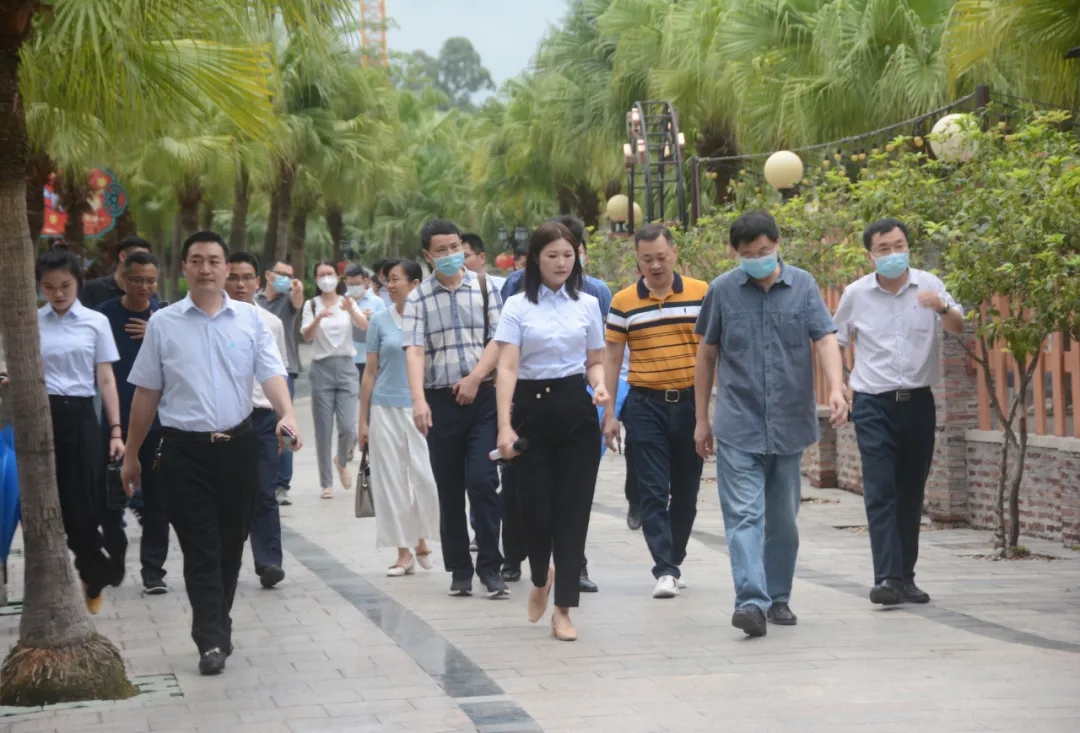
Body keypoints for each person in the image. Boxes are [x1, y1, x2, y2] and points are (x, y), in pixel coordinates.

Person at [122, 230, 302, 676]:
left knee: (230, 544)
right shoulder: (163, 324)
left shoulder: (251, 320)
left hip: (238, 447)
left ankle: (218, 620)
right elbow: (147, 393)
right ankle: (211, 639)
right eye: (197, 260)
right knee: (200, 547)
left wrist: (287, 414)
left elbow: (272, 373)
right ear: (184, 267)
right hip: (183, 452)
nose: (206, 269)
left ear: (226, 268)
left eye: (214, 261)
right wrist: (131, 454)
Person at [693, 210, 847, 638]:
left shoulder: (803, 286)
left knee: (782, 521)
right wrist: (701, 419)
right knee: (744, 516)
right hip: (738, 422)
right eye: (748, 254)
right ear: (735, 253)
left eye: (764, 250)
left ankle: (778, 596)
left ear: (777, 243)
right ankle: (750, 602)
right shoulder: (722, 290)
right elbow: (706, 355)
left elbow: (825, 338)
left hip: (789, 422)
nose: (757, 259)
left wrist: (837, 388)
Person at [834, 218, 964, 606]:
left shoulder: (929, 284)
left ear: (908, 247)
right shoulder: (856, 294)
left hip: (919, 402)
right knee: (880, 490)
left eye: (899, 245)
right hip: (873, 403)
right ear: (870, 255)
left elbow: (958, 325)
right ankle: (887, 578)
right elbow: (835, 340)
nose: (893, 254)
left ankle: (906, 577)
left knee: (911, 491)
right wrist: (839, 385)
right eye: (884, 248)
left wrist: (942, 306)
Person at [495, 221, 609, 642]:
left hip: (576, 411)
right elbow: (507, 366)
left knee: (573, 512)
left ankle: (563, 609)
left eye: (568, 255)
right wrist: (504, 425)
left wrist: (599, 386)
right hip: (531, 410)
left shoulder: (588, 303)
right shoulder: (517, 306)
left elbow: (594, 360)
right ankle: (541, 576)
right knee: (534, 511)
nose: (562, 263)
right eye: (552, 256)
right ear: (535, 259)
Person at [403, 218, 508, 599]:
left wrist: (476, 378)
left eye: (454, 247)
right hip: (440, 401)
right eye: (441, 250)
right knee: (448, 489)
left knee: (483, 481)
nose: (450, 255)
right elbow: (415, 351)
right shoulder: (417, 299)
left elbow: (499, 339)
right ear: (427, 255)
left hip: (483, 398)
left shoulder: (485, 286)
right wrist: (418, 400)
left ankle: (491, 567)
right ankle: (459, 570)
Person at [603, 224, 707, 600]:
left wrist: (708, 414)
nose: (656, 266)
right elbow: (612, 357)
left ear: (675, 253)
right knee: (652, 490)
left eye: (661, 257)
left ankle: (673, 560)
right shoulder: (623, 301)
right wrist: (610, 413)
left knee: (687, 492)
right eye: (647, 259)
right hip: (645, 404)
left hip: (691, 403)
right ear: (638, 261)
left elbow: (713, 351)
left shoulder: (701, 293)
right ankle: (664, 568)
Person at [34, 248, 126, 613]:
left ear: (78, 283)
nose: (57, 294)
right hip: (41, 417)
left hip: (83, 416)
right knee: (57, 505)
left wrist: (115, 430)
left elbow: (106, 379)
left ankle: (95, 569)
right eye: (49, 287)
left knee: (85, 503)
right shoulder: (32, 322)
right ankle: (94, 571)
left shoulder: (95, 322)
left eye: (65, 285)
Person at [358, 259, 440, 576]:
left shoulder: (430, 318)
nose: (389, 285)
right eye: (387, 280)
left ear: (415, 284)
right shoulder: (379, 320)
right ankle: (403, 553)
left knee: (426, 478)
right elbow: (370, 373)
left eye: (396, 279)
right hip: (384, 408)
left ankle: (420, 538)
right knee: (391, 480)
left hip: (421, 408)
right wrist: (362, 421)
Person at [96, 251, 169, 595]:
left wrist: (156, 333)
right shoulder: (104, 316)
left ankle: (153, 571)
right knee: (109, 498)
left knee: (158, 500)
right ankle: (116, 552)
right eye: (137, 279)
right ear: (123, 278)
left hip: (157, 424)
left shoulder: (165, 318)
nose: (144, 287)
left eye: (150, 281)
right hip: (113, 423)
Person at [224, 251, 289, 590]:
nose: (240, 284)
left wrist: (285, 420)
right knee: (229, 494)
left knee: (264, 490)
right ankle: (226, 560)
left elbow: (279, 373)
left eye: (246, 277)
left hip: (262, 417)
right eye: (233, 277)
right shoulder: (210, 320)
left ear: (258, 281)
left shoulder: (271, 323)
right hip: (222, 419)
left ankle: (269, 562)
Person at [301, 260, 369, 499]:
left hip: (347, 367)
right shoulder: (311, 304)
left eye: (329, 273)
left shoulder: (346, 301)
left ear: (337, 277)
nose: (326, 278)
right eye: (321, 275)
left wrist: (351, 310)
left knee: (348, 426)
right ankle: (326, 483)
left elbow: (364, 326)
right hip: (322, 369)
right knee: (323, 428)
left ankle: (341, 460)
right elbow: (307, 336)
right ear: (315, 279)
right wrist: (318, 318)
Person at [254, 258, 304, 506]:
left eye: (290, 274)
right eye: (281, 273)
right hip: (255, 372)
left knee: (285, 423)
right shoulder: (253, 300)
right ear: (268, 275)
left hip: (285, 368)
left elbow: (297, 301)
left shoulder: (288, 301)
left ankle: (282, 484)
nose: (286, 278)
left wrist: (298, 289)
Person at [79, 237, 156, 308]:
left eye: (146, 261)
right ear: (122, 256)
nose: (144, 264)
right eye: (139, 259)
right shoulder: (91, 288)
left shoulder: (149, 292)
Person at [344, 263, 386, 385]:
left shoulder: (377, 302)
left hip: (370, 359)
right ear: (345, 282)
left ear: (365, 281)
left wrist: (369, 319)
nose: (354, 287)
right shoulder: (341, 302)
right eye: (351, 284)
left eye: (358, 284)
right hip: (347, 359)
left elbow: (383, 329)